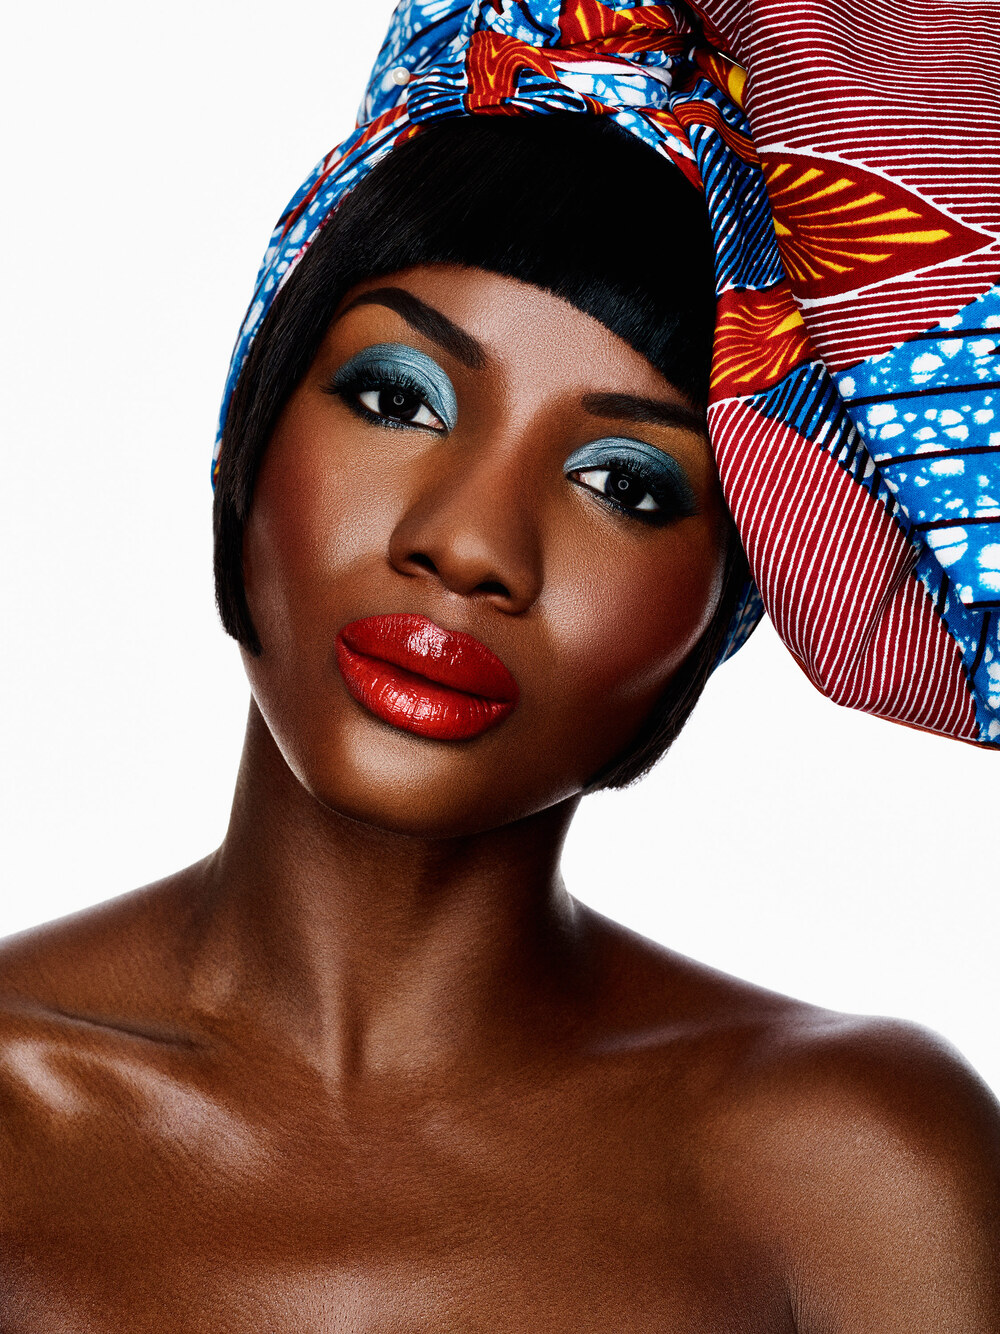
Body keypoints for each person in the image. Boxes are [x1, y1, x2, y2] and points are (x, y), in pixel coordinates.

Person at [2, 2, 998, 1329]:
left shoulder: (857, 1171)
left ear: (729, 602)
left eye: (626, 482)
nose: (470, 545)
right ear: (250, 426)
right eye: (397, 397)